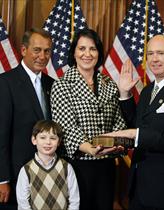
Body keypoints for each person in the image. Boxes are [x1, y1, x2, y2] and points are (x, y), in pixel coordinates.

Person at [103, 35, 164, 210]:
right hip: (139, 185)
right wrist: (125, 94)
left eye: (160, 53)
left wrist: (136, 135)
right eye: (150, 54)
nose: (154, 58)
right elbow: (136, 124)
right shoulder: (147, 90)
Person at [50, 28, 127, 210]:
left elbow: (118, 121)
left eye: (92, 49)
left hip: (107, 165)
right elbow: (67, 128)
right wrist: (91, 149)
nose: (87, 54)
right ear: (74, 52)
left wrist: (117, 145)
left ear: (98, 53)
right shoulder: (61, 85)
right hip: (78, 166)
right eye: (81, 48)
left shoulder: (109, 84)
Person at [0, 28, 54, 209]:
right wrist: (3, 178)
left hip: (48, 176)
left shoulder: (51, 84)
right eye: (37, 50)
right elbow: (1, 135)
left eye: (47, 51)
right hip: (16, 177)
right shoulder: (6, 83)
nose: (42, 56)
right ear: (24, 50)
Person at [16, 120, 80, 210]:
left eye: (53, 138)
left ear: (59, 142)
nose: (48, 142)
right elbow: (23, 204)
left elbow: (74, 201)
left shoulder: (67, 168)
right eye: (42, 137)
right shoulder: (26, 170)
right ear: (34, 140)